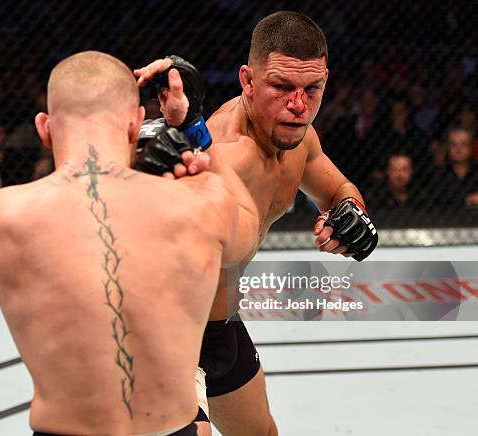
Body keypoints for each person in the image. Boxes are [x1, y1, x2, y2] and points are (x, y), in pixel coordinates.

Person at [0, 51, 259, 436]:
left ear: (44, 127)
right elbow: (248, 229)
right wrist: (191, 127)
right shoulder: (198, 203)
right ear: (137, 123)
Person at [135, 11, 378, 435]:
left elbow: (339, 187)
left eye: (312, 89)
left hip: (221, 327)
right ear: (247, 80)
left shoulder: (301, 137)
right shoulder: (228, 153)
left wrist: (351, 214)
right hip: (168, 334)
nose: (299, 105)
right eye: (282, 87)